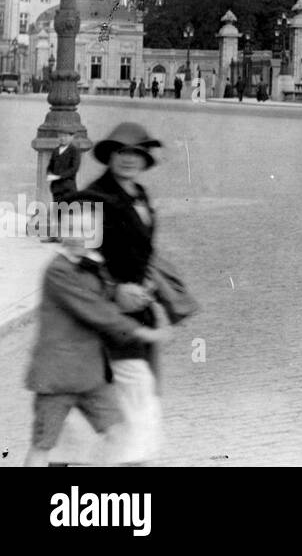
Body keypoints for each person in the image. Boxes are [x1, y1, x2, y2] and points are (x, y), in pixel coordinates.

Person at [58, 123, 172, 466]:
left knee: (112, 407)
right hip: (104, 321)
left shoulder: (139, 196)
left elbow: (138, 254)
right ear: (110, 157)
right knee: (123, 407)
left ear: (144, 159)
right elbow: (78, 258)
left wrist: (147, 284)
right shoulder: (95, 198)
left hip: (133, 319)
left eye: (136, 153)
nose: (129, 160)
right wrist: (114, 289)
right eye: (122, 152)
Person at [24, 208, 171, 467]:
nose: (77, 237)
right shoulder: (57, 271)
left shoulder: (93, 265)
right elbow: (95, 310)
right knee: (43, 443)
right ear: (59, 232)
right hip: (57, 378)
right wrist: (140, 331)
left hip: (90, 377)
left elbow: (107, 294)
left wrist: (133, 294)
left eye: (84, 231)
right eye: (70, 230)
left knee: (119, 433)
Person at [46, 130, 81, 203]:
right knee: (57, 211)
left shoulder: (74, 151)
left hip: (68, 187)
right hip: (55, 188)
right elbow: (50, 165)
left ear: (72, 137)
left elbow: (74, 168)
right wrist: (49, 174)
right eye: (60, 136)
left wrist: (59, 176)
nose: (62, 138)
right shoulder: (55, 151)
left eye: (65, 136)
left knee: (68, 211)